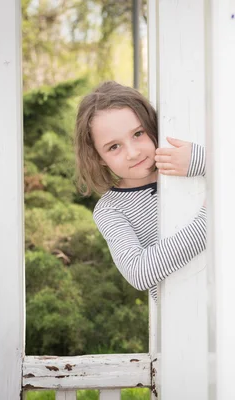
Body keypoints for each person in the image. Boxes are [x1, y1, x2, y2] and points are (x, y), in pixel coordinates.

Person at [74, 81, 206, 302]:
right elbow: (139, 272)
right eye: (114, 147)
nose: (133, 153)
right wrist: (208, 222)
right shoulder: (110, 209)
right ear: (98, 157)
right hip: (185, 315)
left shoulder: (188, 162)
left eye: (138, 133)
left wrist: (205, 162)